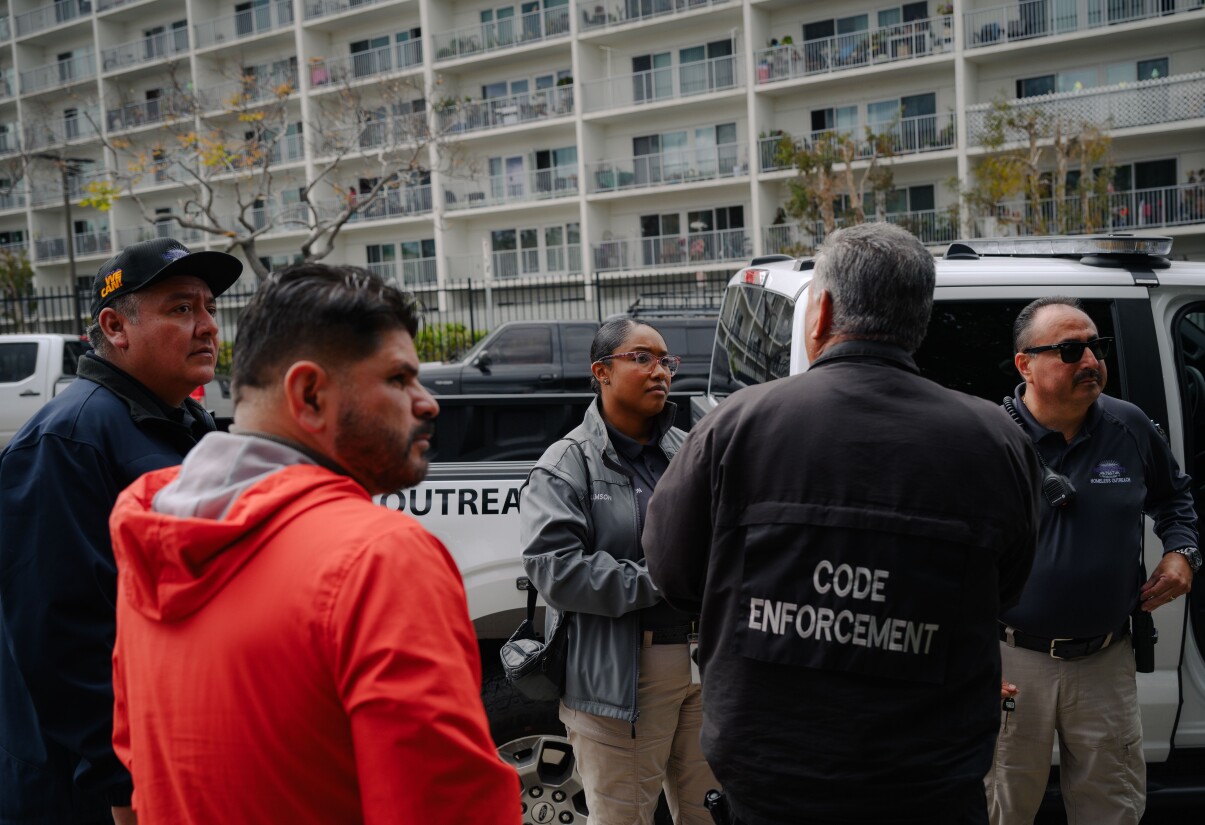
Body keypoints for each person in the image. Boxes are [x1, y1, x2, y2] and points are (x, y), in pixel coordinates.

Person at [642, 223, 1042, 825]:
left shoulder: (738, 426)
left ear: (821, 310)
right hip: (930, 779)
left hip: (773, 775)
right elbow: (1007, 588)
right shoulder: (995, 440)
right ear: (920, 319)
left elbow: (672, 573)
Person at [108, 264, 521, 822]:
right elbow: (445, 806)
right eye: (399, 379)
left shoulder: (153, 533)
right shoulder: (380, 557)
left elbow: (136, 757)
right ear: (308, 393)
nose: (428, 402)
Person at [0, 238, 240, 824]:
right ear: (116, 325)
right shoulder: (70, 439)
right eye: (182, 309)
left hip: (169, 759)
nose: (208, 326)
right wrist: (124, 784)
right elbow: (63, 637)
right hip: (87, 792)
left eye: (209, 307)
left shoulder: (181, 421)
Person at [986, 296, 1200, 825]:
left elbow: (1176, 501)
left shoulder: (1127, 426)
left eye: (1096, 347)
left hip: (1106, 661)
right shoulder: (987, 439)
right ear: (1024, 365)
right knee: (1000, 809)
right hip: (1011, 664)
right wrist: (971, 659)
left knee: (1113, 809)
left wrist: (1181, 553)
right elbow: (946, 556)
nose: (1090, 361)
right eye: (1070, 350)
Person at [521, 317, 717, 824]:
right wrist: (663, 578)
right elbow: (557, 571)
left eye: (666, 361)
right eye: (642, 358)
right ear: (601, 371)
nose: (661, 371)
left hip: (703, 668)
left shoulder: (686, 450)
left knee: (713, 815)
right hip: (619, 682)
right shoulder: (567, 464)